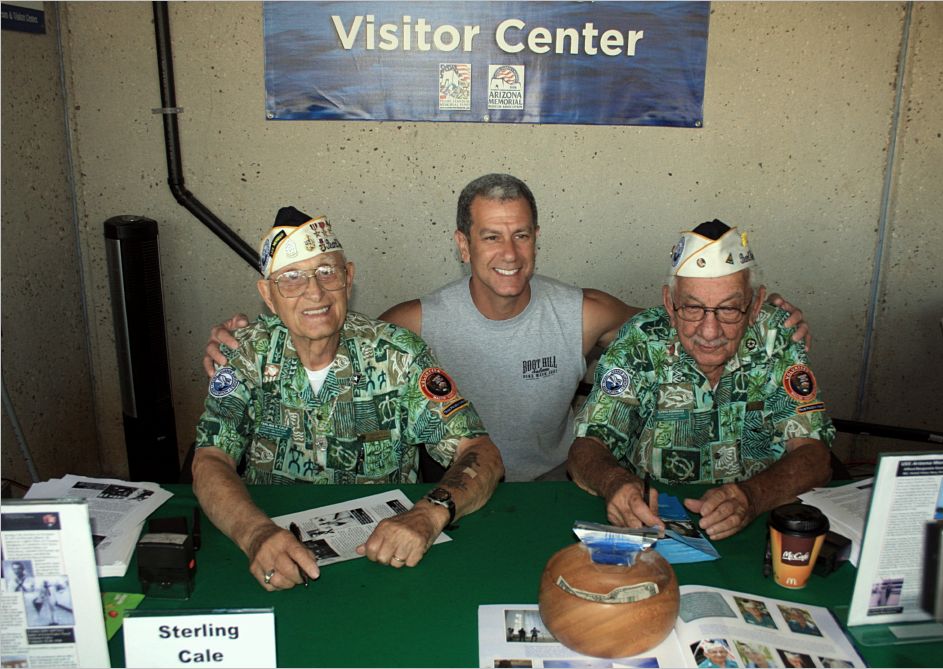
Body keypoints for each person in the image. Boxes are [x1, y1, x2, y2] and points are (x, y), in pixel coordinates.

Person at [203, 175, 811, 481]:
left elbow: (686, 322)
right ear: (462, 245)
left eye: (521, 234)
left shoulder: (584, 312)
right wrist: (237, 345)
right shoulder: (411, 325)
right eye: (491, 236)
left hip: (556, 491)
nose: (509, 253)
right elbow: (331, 338)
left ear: (537, 239)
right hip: (454, 492)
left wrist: (761, 316)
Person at [192, 207, 503, 591]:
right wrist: (255, 534)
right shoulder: (246, 354)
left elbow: (481, 451)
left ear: (349, 278)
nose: (314, 292)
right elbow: (210, 459)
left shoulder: (398, 355)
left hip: (382, 558)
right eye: (291, 278)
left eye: (327, 272)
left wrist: (427, 514)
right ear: (268, 295)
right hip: (270, 542)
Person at [568, 219, 835, 540]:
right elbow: (587, 444)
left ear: (755, 305)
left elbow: (815, 454)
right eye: (693, 308)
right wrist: (614, 483)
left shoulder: (777, 337)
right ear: (670, 304)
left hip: (762, 521)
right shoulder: (640, 340)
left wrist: (753, 496)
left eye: (729, 309)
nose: (709, 331)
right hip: (654, 519)